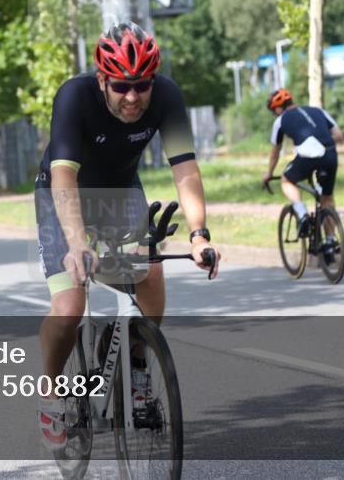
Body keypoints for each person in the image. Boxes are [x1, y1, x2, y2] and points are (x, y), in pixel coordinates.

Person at [34, 22, 220, 450]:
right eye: (121, 86)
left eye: (142, 85)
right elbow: (64, 174)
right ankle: (50, 391)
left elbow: (185, 168)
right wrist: (78, 243)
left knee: (150, 277)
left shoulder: (167, 96)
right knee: (69, 304)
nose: (133, 97)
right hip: (63, 196)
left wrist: (199, 235)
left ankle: (137, 369)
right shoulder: (74, 96)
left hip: (121, 195)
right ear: (102, 79)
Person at [261, 88, 344, 238]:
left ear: (279, 108)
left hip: (308, 156)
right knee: (327, 197)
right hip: (330, 154)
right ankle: (331, 241)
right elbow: (339, 135)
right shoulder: (318, 111)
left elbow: (275, 153)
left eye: (274, 111)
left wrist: (269, 173)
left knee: (287, 180)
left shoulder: (280, 121)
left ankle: (302, 214)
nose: (275, 114)